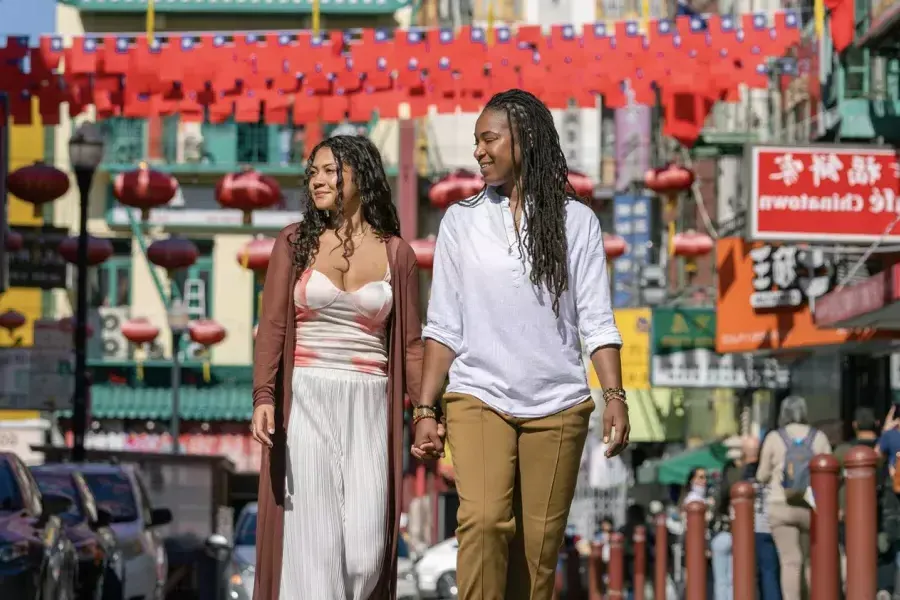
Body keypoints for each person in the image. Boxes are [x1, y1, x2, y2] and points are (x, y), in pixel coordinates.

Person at [411, 88, 630, 600]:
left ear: (525, 139)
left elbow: (597, 320)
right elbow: (443, 325)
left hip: (558, 404)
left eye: (489, 139)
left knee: (536, 555)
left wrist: (615, 397)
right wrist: (425, 406)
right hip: (477, 394)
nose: (479, 152)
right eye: (476, 142)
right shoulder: (460, 222)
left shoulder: (578, 223)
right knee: (485, 521)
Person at [249, 135, 433, 600]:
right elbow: (271, 326)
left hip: (370, 401)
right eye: (313, 172)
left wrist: (426, 414)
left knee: (366, 552)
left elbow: (411, 345)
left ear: (361, 176)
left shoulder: (399, 255)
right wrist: (264, 396)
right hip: (307, 396)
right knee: (315, 547)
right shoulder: (293, 243)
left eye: (330, 170)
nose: (318, 180)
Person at [751, 396, 831, 600]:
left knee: (790, 560)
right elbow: (830, 470)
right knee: (809, 559)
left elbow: (761, 475)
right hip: (809, 505)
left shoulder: (774, 437)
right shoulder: (818, 437)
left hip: (780, 504)